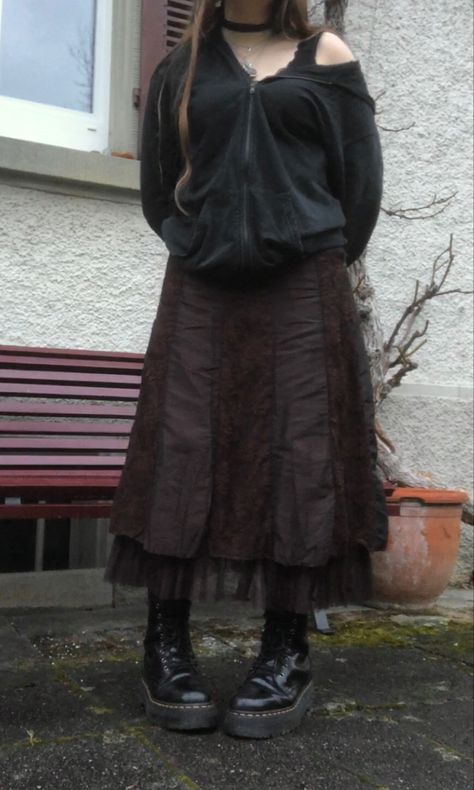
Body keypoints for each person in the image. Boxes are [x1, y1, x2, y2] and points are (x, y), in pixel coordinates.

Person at [103, 0, 389, 739]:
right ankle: (165, 648)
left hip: (302, 288)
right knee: (183, 449)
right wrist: (207, 239)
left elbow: (358, 196)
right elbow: (158, 187)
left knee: (301, 457)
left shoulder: (327, 58)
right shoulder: (182, 65)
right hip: (200, 285)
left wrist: (297, 244)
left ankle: (285, 656)